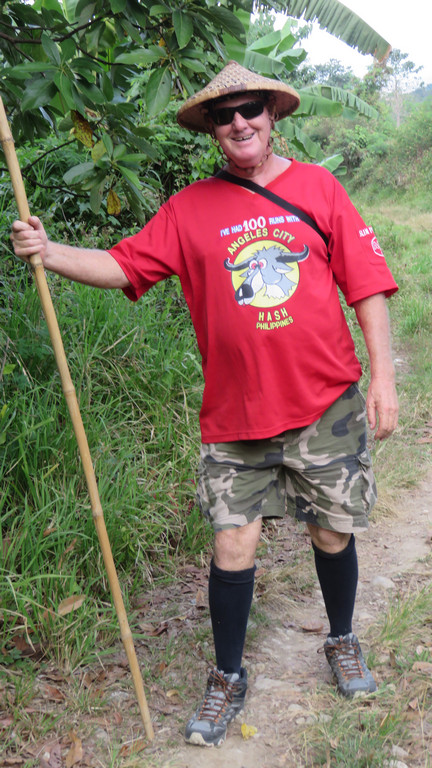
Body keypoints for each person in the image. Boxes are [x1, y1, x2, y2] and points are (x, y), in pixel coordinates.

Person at [11, 60, 398, 748]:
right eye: (225, 115)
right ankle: (226, 675)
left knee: (332, 533)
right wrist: (50, 249)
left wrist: (383, 379)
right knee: (231, 543)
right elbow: (124, 265)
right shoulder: (190, 208)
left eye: (250, 109)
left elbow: (365, 285)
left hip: (325, 403)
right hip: (236, 413)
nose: (240, 123)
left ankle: (341, 639)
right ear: (213, 130)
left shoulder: (319, 188)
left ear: (272, 116)